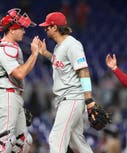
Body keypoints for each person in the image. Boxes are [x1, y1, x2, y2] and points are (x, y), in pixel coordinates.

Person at [38, 12, 97, 153]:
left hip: (72, 98)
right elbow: (61, 64)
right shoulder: (60, 46)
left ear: (54, 27)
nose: (45, 29)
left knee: (56, 139)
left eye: (47, 26)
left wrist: (89, 99)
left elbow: (84, 70)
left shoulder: (72, 45)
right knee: (77, 143)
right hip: (66, 99)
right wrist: (46, 53)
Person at [0, 8, 40, 153]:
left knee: (24, 141)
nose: (24, 32)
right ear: (12, 30)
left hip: (13, 96)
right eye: (21, 28)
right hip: (6, 96)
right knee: (4, 142)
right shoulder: (4, 49)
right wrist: (34, 54)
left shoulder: (12, 46)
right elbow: (19, 74)